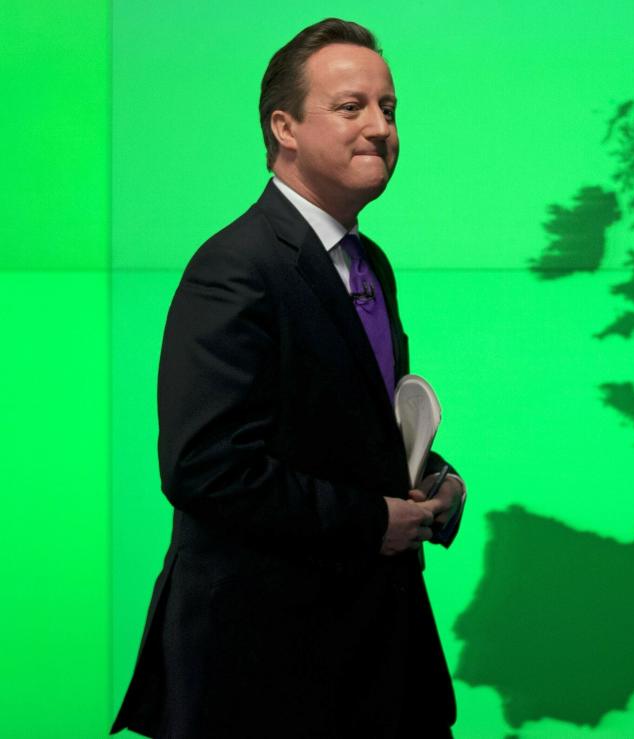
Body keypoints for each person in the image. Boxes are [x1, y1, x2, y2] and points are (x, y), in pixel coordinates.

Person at [111, 18, 465, 738]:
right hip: (266, 670)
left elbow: (354, 429)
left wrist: (434, 485)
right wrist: (371, 521)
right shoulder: (235, 267)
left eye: (389, 109)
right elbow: (204, 467)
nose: (380, 128)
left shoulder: (370, 265)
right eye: (351, 107)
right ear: (285, 127)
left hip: (372, 660)